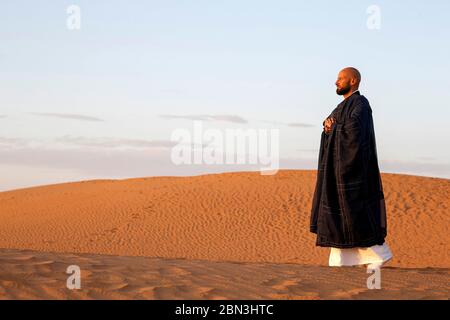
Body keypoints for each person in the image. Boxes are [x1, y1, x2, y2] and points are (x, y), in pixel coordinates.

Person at [310, 67, 393, 270]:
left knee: (357, 215)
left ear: (353, 80)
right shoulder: (341, 106)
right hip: (336, 174)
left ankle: (379, 255)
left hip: (354, 174)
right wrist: (328, 126)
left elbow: (354, 130)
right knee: (337, 217)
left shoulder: (361, 104)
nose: (336, 82)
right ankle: (340, 262)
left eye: (340, 79)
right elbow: (329, 123)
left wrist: (334, 127)